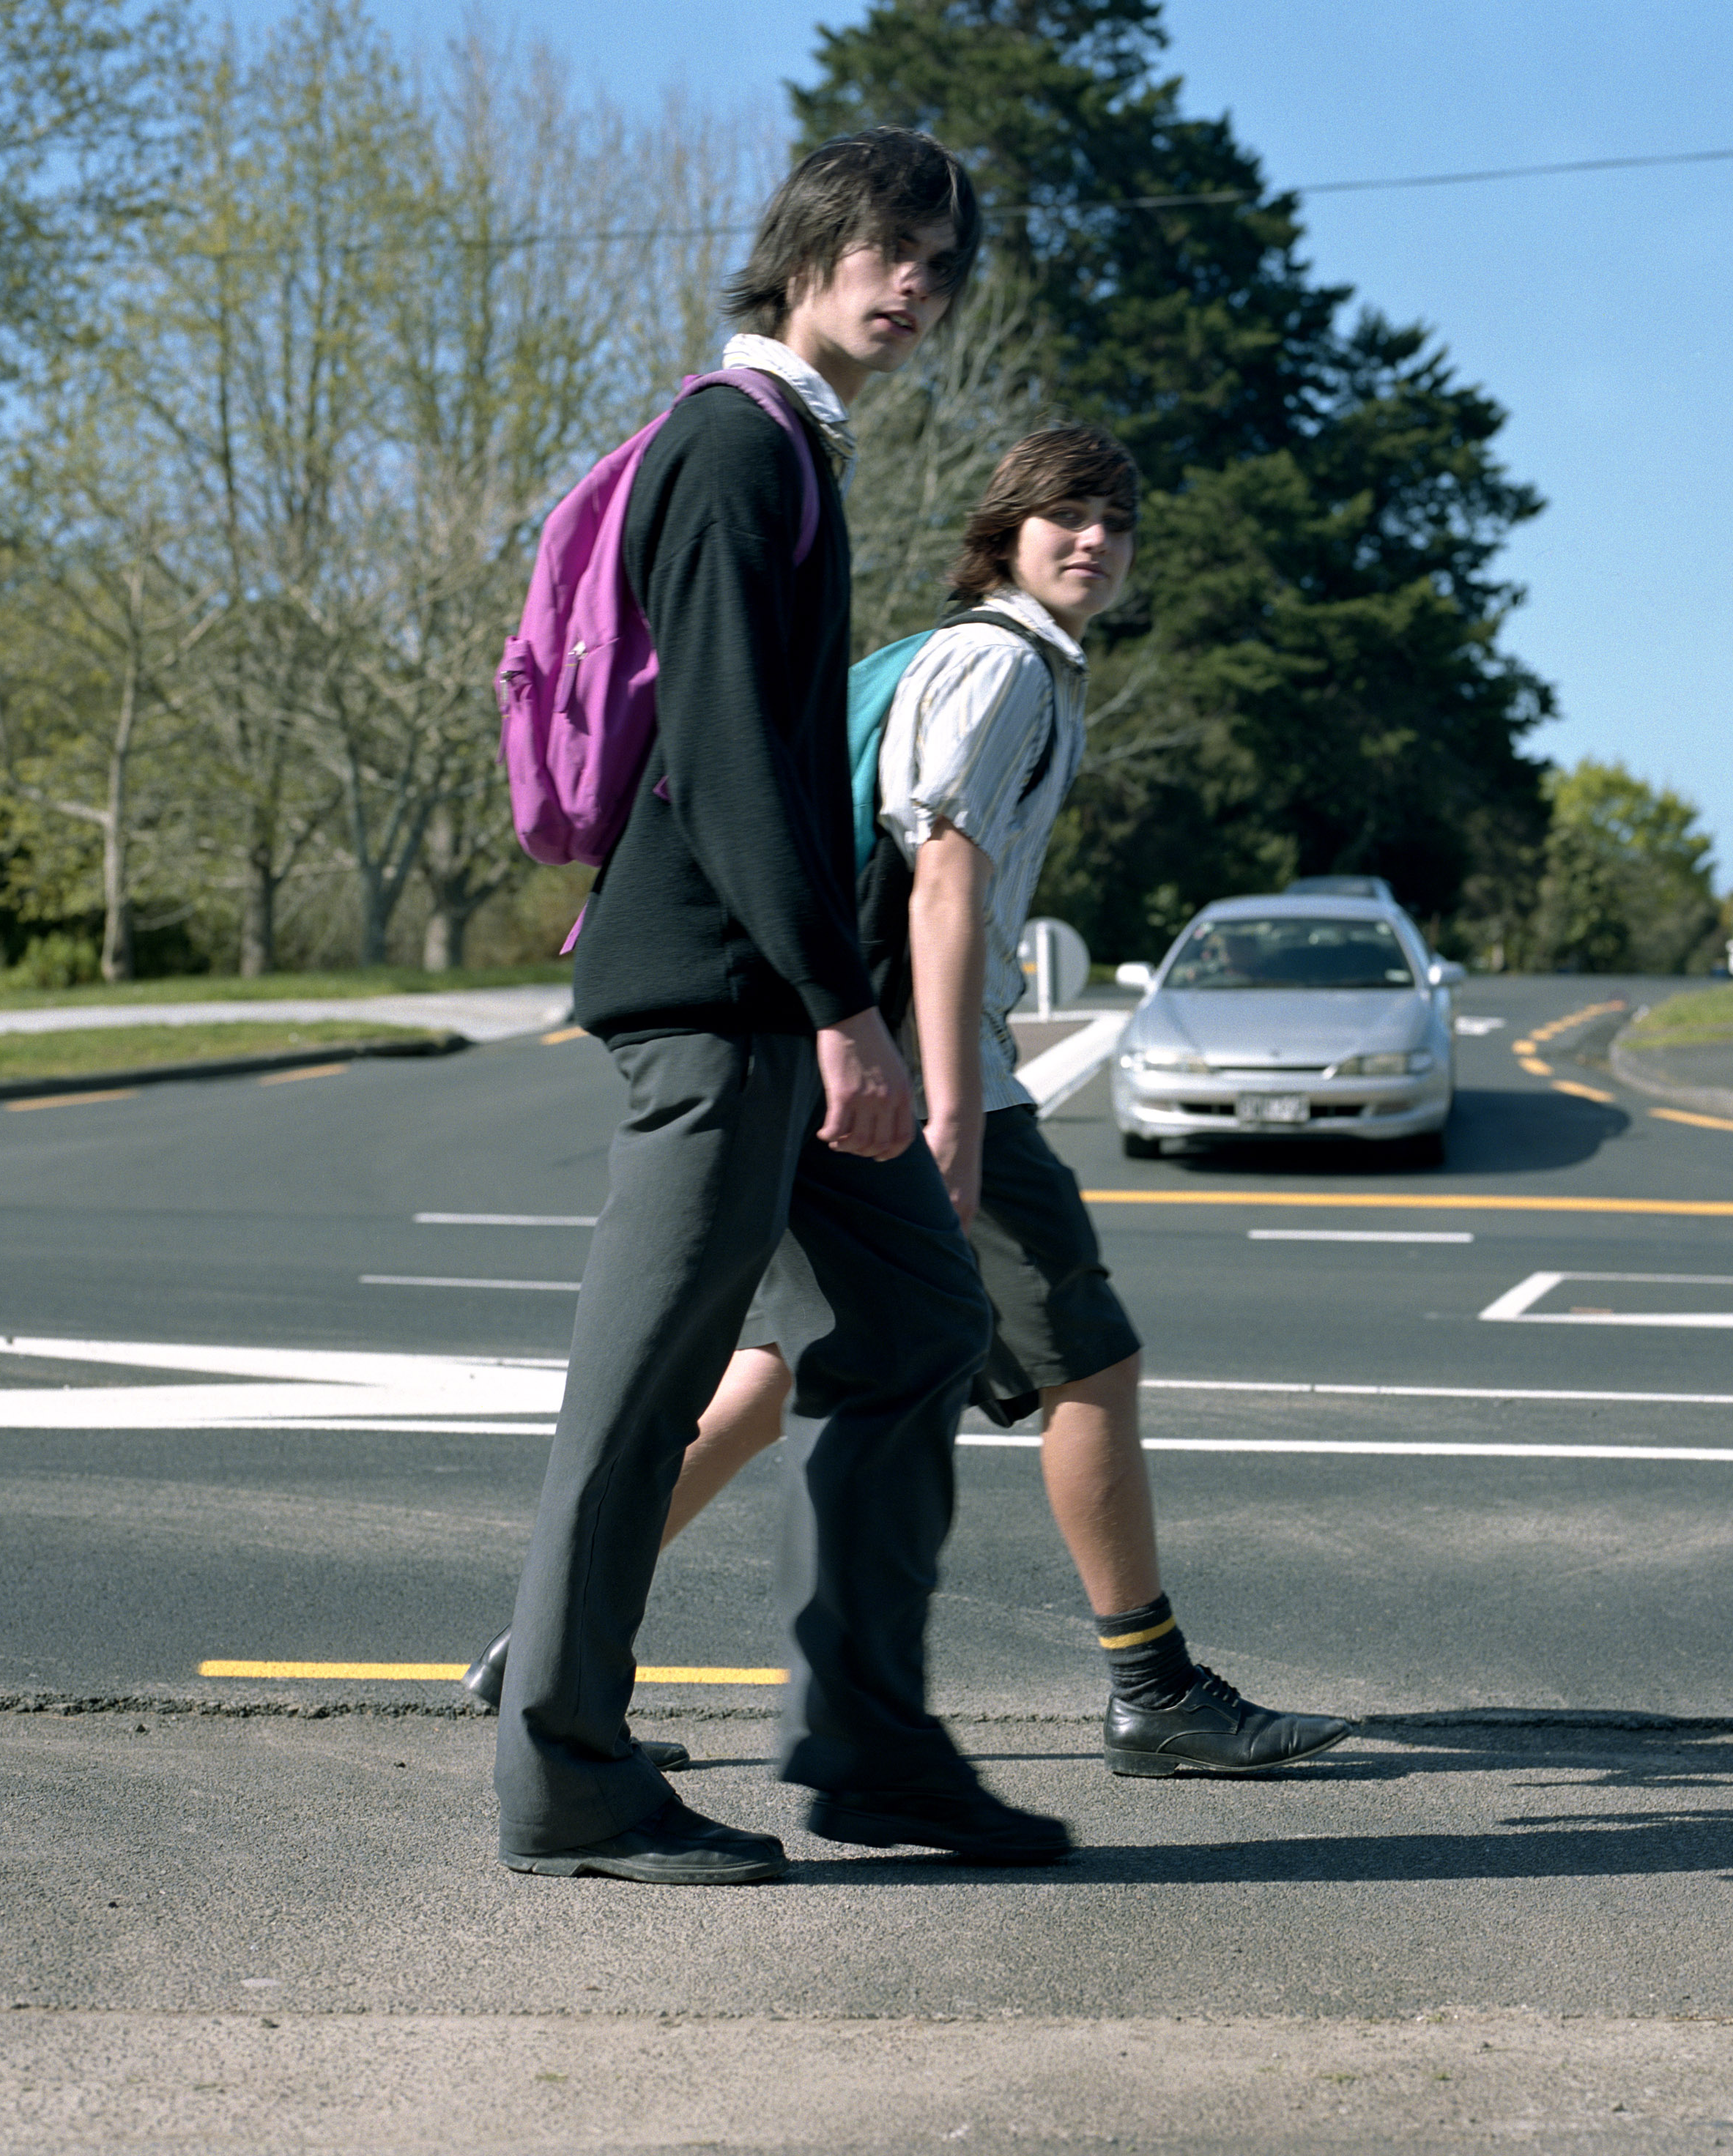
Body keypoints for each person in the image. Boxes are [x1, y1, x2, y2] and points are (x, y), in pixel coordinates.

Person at [479, 426, 1354, 1780]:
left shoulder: (989, 665)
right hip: (911, 1072)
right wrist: (952, 1105)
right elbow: (943, 879)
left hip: (837, 1056)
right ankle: (1154, 1691)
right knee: (1088, 1364)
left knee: (777, 1371)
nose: (1094, 541)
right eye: (1064, 516)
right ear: (1004, 533)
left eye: (1116, 521)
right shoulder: (1000, 666)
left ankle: (539, 1643)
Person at [492, 127, 1070, 1891]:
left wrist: (832, 996)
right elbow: (737, 760)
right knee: (639, 1393)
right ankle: (568, 1779)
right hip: (717, 999)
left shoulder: (789, 451)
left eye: (944, 269)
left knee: (914, 1319)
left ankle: (865, 1743)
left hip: (768, 986)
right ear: (812, 245)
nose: (917, 288)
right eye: (894, 249)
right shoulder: (736, 449)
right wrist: (842, 1005)